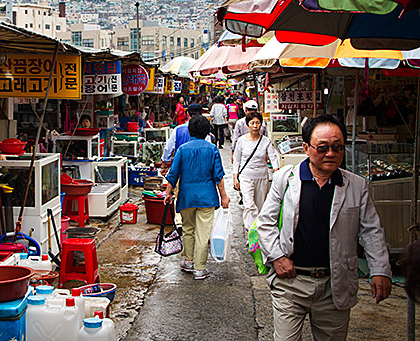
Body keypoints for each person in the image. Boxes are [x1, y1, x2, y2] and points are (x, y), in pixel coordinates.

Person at [257, 115, 391, 341]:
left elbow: (371, 231)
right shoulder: (285, 179)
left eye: (337, 147)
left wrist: (380, 270)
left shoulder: (356, 186)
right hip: (291, 283)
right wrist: (278, 257)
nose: (331, 153)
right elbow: (265, 223)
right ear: (307, 148)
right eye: (323, 148)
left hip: (335, 284)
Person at [164, 115, 230, 280]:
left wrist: (168, 193)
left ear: (190, 130)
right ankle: (200, 269)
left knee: (188, 229)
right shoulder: (212, 149)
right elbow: (218, 176)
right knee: (202, 233)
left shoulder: (182, 149)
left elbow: (173, 174)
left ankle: (188, 261)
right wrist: (224, 197)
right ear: (207, 131)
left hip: (186, 197)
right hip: (207, 197)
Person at [233, 112, 280, 230]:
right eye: (252, 123)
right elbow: (237, 160)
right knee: (249, 205)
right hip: (245, 177)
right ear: (247, 125)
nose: (255, 126)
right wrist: (235, 177)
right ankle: (251, 233)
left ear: (261, 125)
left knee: (260, 205)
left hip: (261, 176)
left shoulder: (266, 141)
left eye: (257, 123)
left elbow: (273, 157)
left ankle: (259, 230)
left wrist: (277, 171)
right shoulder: (241, 141)